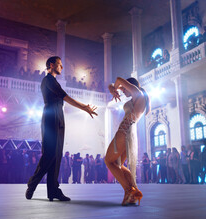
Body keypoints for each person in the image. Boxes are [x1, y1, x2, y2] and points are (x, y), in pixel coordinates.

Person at [25, 56, 97, 201]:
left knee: (57, 155)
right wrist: (84, 107)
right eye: (59, 64)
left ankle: (53, 191)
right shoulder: (48, 80)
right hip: (52, 116)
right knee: (50, 154)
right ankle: (32, 183)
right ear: (51, 65)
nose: (62, 67)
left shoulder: (53, 81)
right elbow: (66, 97)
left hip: (57, 116)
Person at [105, 76, 150, 206]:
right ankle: (134, 192)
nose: (123, 92)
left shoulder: (137, 93)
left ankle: (128, 190)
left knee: (108, 161)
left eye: (124, 89)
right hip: (131, 133)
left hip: (124, 131)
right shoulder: (139, 97)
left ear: (130, 86)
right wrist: (112, 89)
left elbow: (118, 79)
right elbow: (112, 84)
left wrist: (116, 87)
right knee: (119, 165)